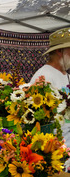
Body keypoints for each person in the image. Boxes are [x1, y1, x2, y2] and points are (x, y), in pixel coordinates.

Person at [31, 27, 70, 162]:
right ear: (60, 51)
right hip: (52, 151)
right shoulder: (44, 76)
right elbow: (36, 117)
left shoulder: (67, 76)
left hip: (67, 146)